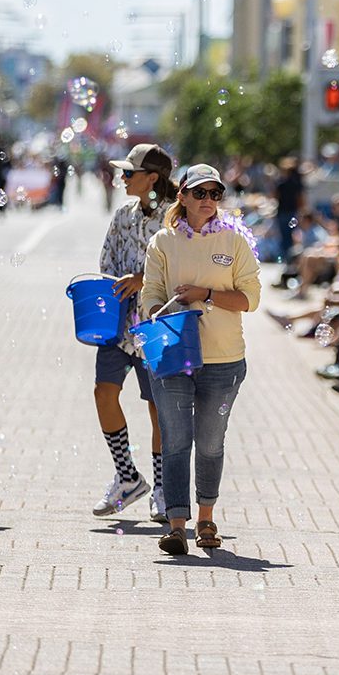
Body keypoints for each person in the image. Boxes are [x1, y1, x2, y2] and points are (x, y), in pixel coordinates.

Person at [140, 164, 261, 556]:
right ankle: (177, 525)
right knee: (176, 440)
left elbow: (250, 299)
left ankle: (206, 519)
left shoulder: (234, 240)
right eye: (199, 192)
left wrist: (204, 294)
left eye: (215, 193)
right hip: (173, 355)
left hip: (223, 360)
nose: (208, 200)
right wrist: (162, 313)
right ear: (183, 196)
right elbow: (150, 293)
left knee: (209, 443)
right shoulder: (163, 241)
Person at [91, 143, 175, 523]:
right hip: (119, 325)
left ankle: (162, 488)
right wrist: (110, 286)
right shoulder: (123, 215)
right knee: (103, 392)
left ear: (151, 178)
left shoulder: (175, 219)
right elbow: (106, 259)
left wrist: (143, 280)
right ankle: (127, 477)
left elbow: (182, 271)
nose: (122, 178)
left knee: (158, 408)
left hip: (157, 325)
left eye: (129, 173)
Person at [273, 157, 305, 260]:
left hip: (282, 212)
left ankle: (286, 256)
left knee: (284, 236)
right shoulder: (297, 183)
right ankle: (291, 257)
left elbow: (275, 196)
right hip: (293, 212)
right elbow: (300, 199)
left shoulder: (280, 183)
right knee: (293, 235)